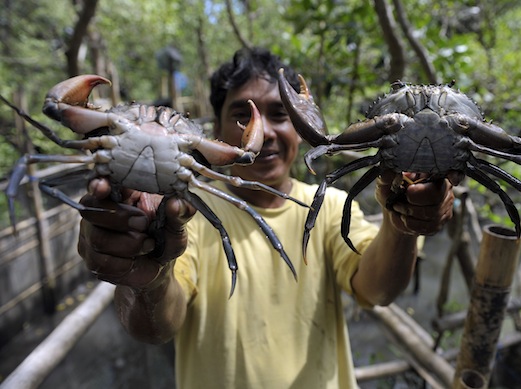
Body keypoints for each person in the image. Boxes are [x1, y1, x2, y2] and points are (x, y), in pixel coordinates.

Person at [77, 47, 454, 388]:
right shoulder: (183, 213)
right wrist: (148, 278)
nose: (268, 133)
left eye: (282, 114)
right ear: (216, 133)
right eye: (244, 116)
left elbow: (377, 289)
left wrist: (401, 223)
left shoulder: (329, 206)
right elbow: (156, 324)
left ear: (303, 127)